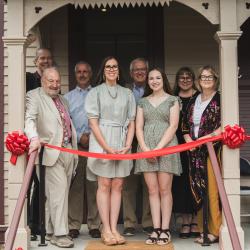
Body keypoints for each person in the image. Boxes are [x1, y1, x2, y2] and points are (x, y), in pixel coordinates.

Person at [85, 56, 136, 246]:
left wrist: (128, 145)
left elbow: (131, 122)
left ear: (119, 70)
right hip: (102, 141)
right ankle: (105, 228)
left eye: (115, 66)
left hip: (122, 142)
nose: (112, 69)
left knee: (118, 186)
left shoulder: (127, 93)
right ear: (103, 70)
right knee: (104, 185)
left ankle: (115, 228)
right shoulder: (95, 92)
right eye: (108, 66)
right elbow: (93, 123)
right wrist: (106, 148)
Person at [25, 67, 78, 248]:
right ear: (43, 81)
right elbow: (29, 119)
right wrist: (33, 138)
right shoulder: (34, 96)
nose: (55, 85)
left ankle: (48, 230)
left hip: (69, 152)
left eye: (57, 81)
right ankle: (60, 234)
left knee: (57, 195)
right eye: (51, 81)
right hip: (49, 153)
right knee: (58, 193)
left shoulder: (63, 99)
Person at [135, 68, 182, 245]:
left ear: (164, 79)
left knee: (164, 190)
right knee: (152, 191)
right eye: (151, 78)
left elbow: (173, 126)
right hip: (146, 148)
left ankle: (165, 229)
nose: (154, 81)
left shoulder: (172, 100)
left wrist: (159, 149)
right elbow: (139, 127)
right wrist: (146, 149)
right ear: (148, 82)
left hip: (167, 147)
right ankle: (155, 229)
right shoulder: (142, 102)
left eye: (158, 78)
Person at [182, 65, 222, 244]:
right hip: (194, 151)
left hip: (212, 150)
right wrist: (189, 140)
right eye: (203, 77)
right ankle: (202, 229)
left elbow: (225, 124)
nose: (206, 79)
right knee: (198, 189)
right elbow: (184, 125)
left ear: (215, 80)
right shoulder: (193, 100)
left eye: (209, 77)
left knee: (212, 190)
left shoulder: (220, 99)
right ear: (198, 80)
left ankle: (215, 230)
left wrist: (207, 137)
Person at [64, 61, 101, 239]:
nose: (82, 74)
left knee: (94, 186)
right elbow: (66, 122)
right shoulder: (68, 98)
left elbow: (102, 118)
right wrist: (80, 137)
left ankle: (95, 225)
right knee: (76, 188)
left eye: (86, 71)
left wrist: (92, 137)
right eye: (79, 71)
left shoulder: (98, 94)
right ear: (75, 74)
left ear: (91, 73)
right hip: (76, 147)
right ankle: (74, 225)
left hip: (96, 146)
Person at [123, 58, 153, 236]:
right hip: (129, 143)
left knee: (150, 184)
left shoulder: (154, 86)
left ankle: (149, 222)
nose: (140, 72)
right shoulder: (125, 90)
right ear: (131, 73)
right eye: (136, 70)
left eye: (143, 69)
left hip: (150, 142)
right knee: (128, 185)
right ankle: (129, 223)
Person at [26, 48, 53, 241]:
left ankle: (39, 225)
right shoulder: (28, 79)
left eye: (48, 58)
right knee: (29, 185)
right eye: (42, 58)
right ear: (35, 61)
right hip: (31, 140)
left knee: (42, 186)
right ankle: (29, 225)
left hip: (49, 142)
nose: (45, 61)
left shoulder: (53, 84)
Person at [172, 67, 200, 239]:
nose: (185, 80)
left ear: (193, 79)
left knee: (195, 182)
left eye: (188, 77)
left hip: (196, 145)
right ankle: (184, 221)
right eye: (181, 77)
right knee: (180, 184)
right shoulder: (173, 98)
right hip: (177, 145)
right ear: (177, 80)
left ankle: (196, 220)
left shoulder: (199, 97)